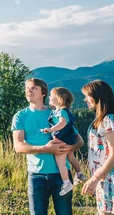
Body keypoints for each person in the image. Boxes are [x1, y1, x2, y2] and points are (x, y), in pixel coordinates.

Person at [12, 78, 84, 215]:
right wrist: (45, 148)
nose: (29, 90)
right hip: (36, 176)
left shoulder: (56, 113)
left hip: (61, 176)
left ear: (43, 93)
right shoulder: (20, 116)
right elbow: (18, 146)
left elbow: (79, 141)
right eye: (27, 87)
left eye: (33, 88)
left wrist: (69, 148)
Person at [80, 80, 114, 214]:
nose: (85, 99)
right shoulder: (102, 119)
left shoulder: (110, 120)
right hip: (103, 179)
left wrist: (94, 178)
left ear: (97, 96)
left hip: (112, 179)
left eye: (87, 96)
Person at [41, 87, 87, 196]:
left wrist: (51, 129)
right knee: (70, 157)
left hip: (62, 140)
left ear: (60, 99)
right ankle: (79, 173)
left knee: (60, 162)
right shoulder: (60, 111)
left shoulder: (61, 112)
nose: (49, 97)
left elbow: (62, 123)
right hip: (68, 138)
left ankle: (66, 183)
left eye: (52, 96)